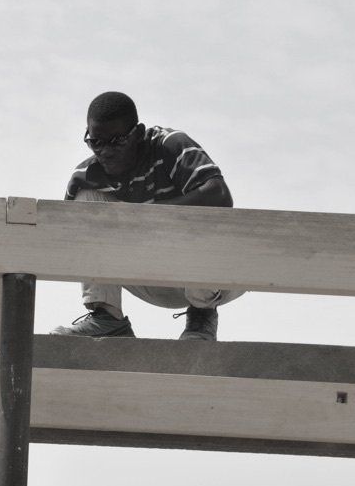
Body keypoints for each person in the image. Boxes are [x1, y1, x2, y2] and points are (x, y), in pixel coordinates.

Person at [50, 92, 242, 341]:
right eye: (96, 142)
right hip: (150, 277)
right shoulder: (87, 175)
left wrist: (148, 217)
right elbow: (70, 241)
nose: (105, 152)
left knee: (204, 215)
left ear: (138, 134)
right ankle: (108, 316)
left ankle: (202, 316)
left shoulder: (169, 146)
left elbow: (220, 196)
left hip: (210, 279)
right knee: (87, 200)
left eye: (116, 141)